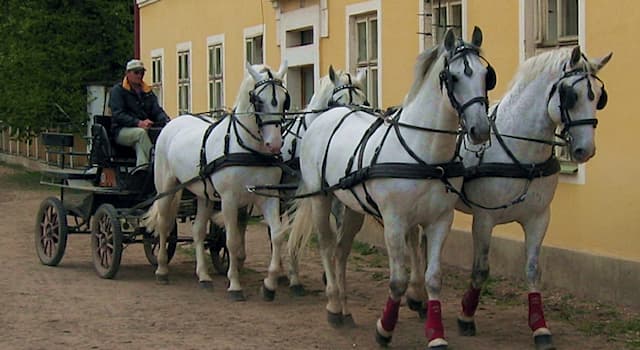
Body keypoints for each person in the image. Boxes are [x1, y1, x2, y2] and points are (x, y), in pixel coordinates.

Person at [109, 59, 170, 168]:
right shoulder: (118, 91)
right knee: (140, 134)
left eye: (142, 72)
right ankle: (157, 163)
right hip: (120, 131)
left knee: (140, 146)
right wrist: (138, 123)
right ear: (127, 73)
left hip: (142, 131)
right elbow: (118, 115)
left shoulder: (147, 91)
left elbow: (156, 110)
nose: (139, 75)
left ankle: (141, 173)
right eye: (136, 72)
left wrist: (167, 121)